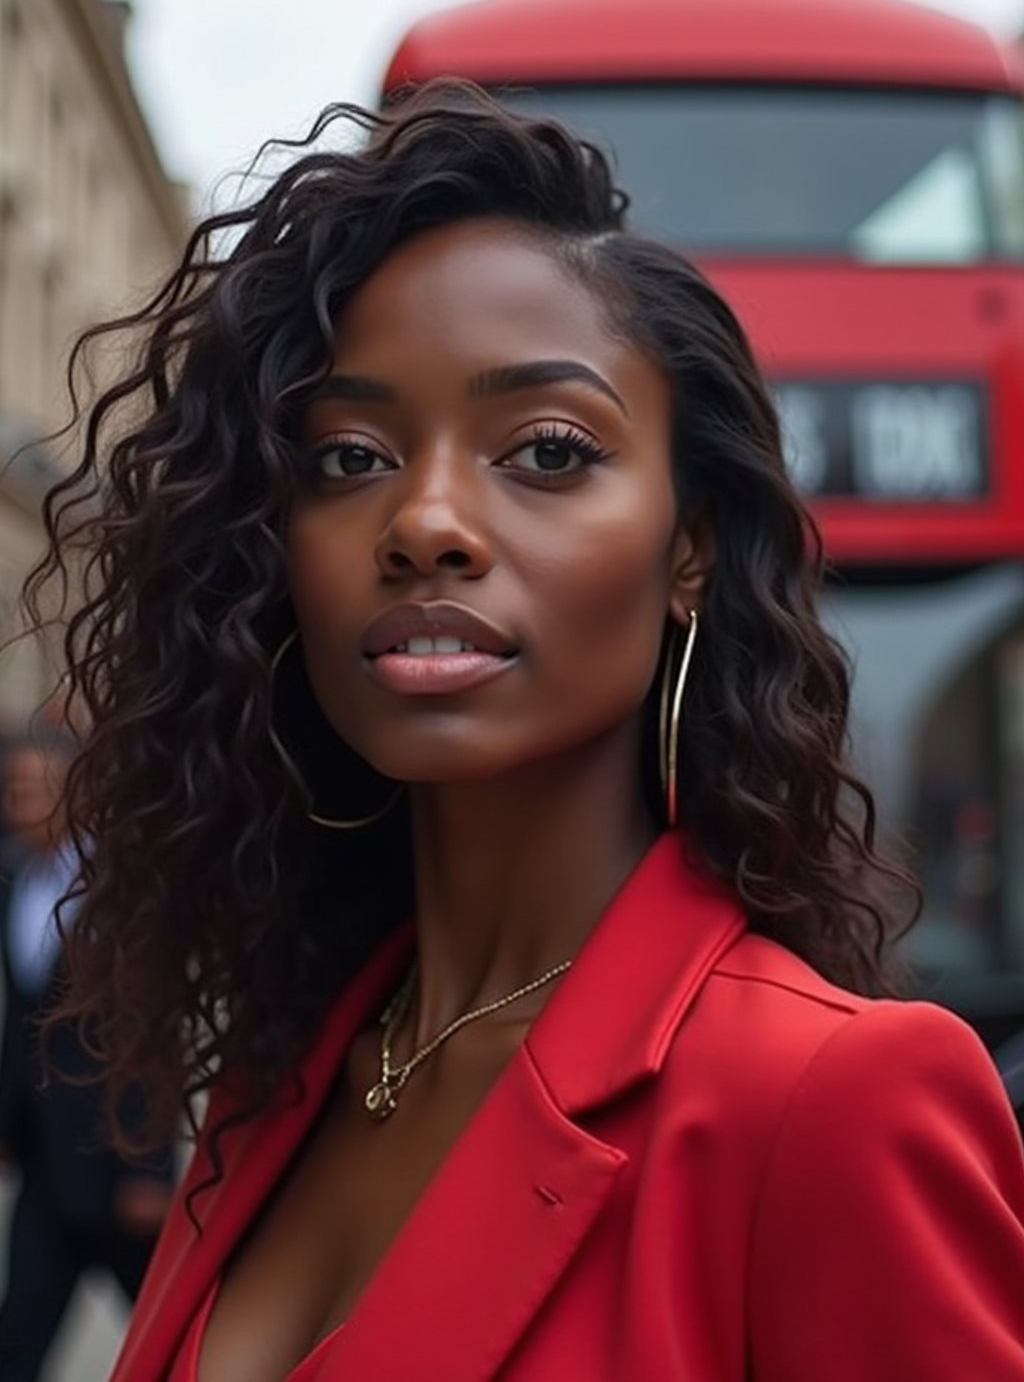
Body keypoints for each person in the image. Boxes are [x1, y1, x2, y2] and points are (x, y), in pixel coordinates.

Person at [26, 81, 1024, 1382]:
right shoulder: (293, 1069)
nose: (424, 520)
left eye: (548, 451)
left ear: (689, 556)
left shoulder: (831, 1105)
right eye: (348, 457)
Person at [0, 733, 174, 1381]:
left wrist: (152, 1168)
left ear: (79, 795)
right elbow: (24, 1022)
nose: (23, 803)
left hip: (116, 1166)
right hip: (47, 1164)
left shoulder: (121, 892)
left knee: (174, 1339)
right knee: (17, 1341)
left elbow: (152, 1031)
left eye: (38, 788)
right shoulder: (14, 877)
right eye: (13, 790)